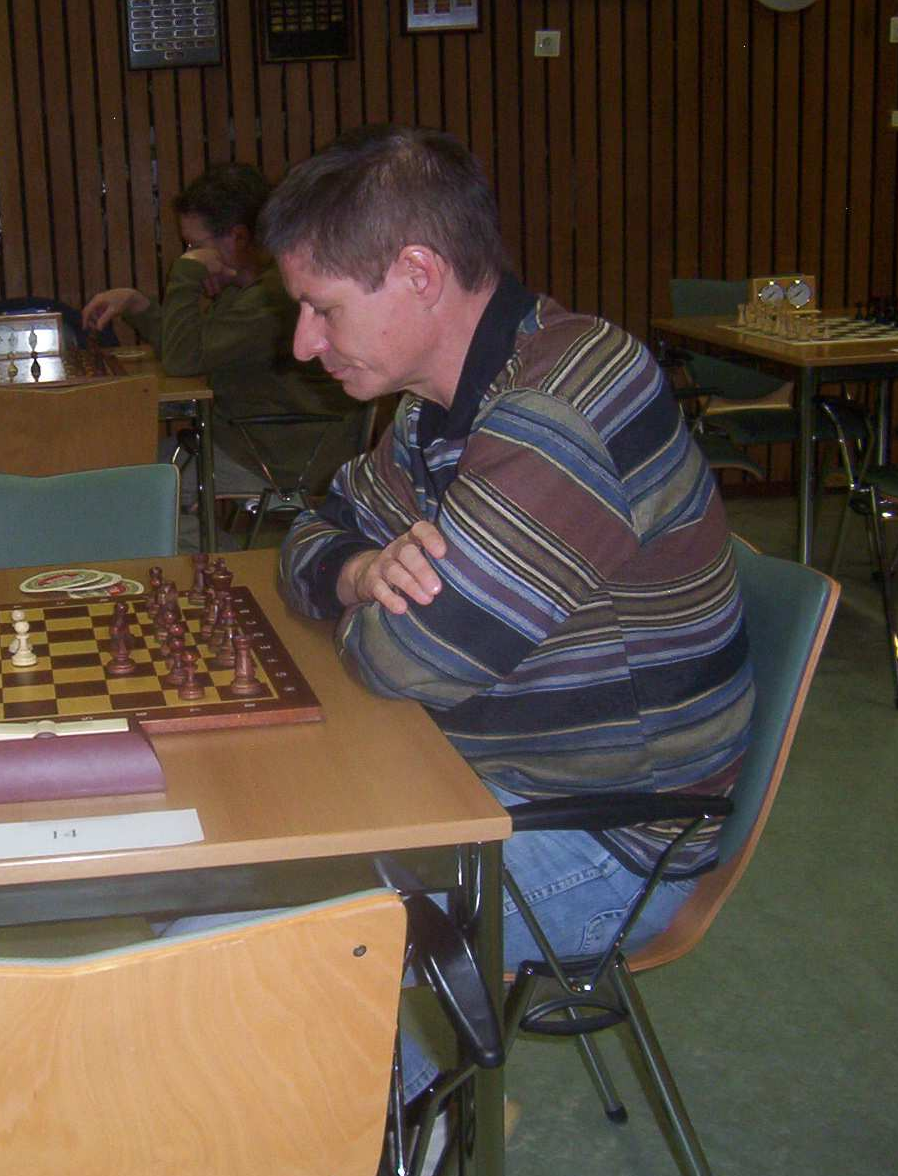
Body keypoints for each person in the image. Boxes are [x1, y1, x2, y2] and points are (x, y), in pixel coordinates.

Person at [263, 125, 755, 1101]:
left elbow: (407, 658)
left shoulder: (564, 402)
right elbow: (305, 537)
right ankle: (390, 1120)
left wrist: (367, 606)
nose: (302, 343)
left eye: (321, 308)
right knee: (249, 872)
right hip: (484, 780)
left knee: (258, 943)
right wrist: (363, 572)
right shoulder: (438, 405)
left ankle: (384, 1132)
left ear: (416, 272)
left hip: (604, 839)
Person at [81, 163, 363, 499]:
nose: (192, 256)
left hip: (275, 457)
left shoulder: (271, 299)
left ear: (237, 237)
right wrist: (139, 306)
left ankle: (211, 552)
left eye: (196, 246)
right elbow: (194, 348)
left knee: (130, 490)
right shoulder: (250, 287)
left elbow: (183, 360)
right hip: (249, 441)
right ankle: (207, 548)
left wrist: (185, 273)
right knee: (126, 469)